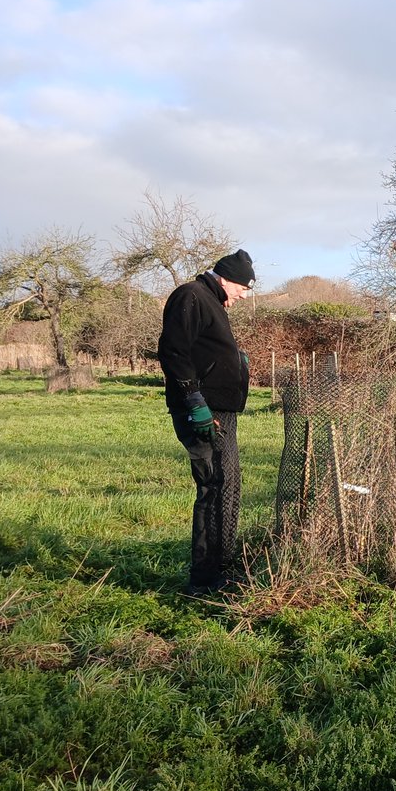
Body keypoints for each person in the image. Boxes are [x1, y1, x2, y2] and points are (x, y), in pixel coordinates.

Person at [158, 249, 255, 595]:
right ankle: (204, 579)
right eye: (243, 288)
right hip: (203, 414)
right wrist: (194, 400)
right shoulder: (191, 295)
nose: (244, 295)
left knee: (227, 486)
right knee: (214, 488)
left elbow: (203, 351)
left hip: (221, 413)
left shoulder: (211, 301)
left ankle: (221, 567)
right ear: (226, 279)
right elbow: (173, 352)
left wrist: (235, 361)